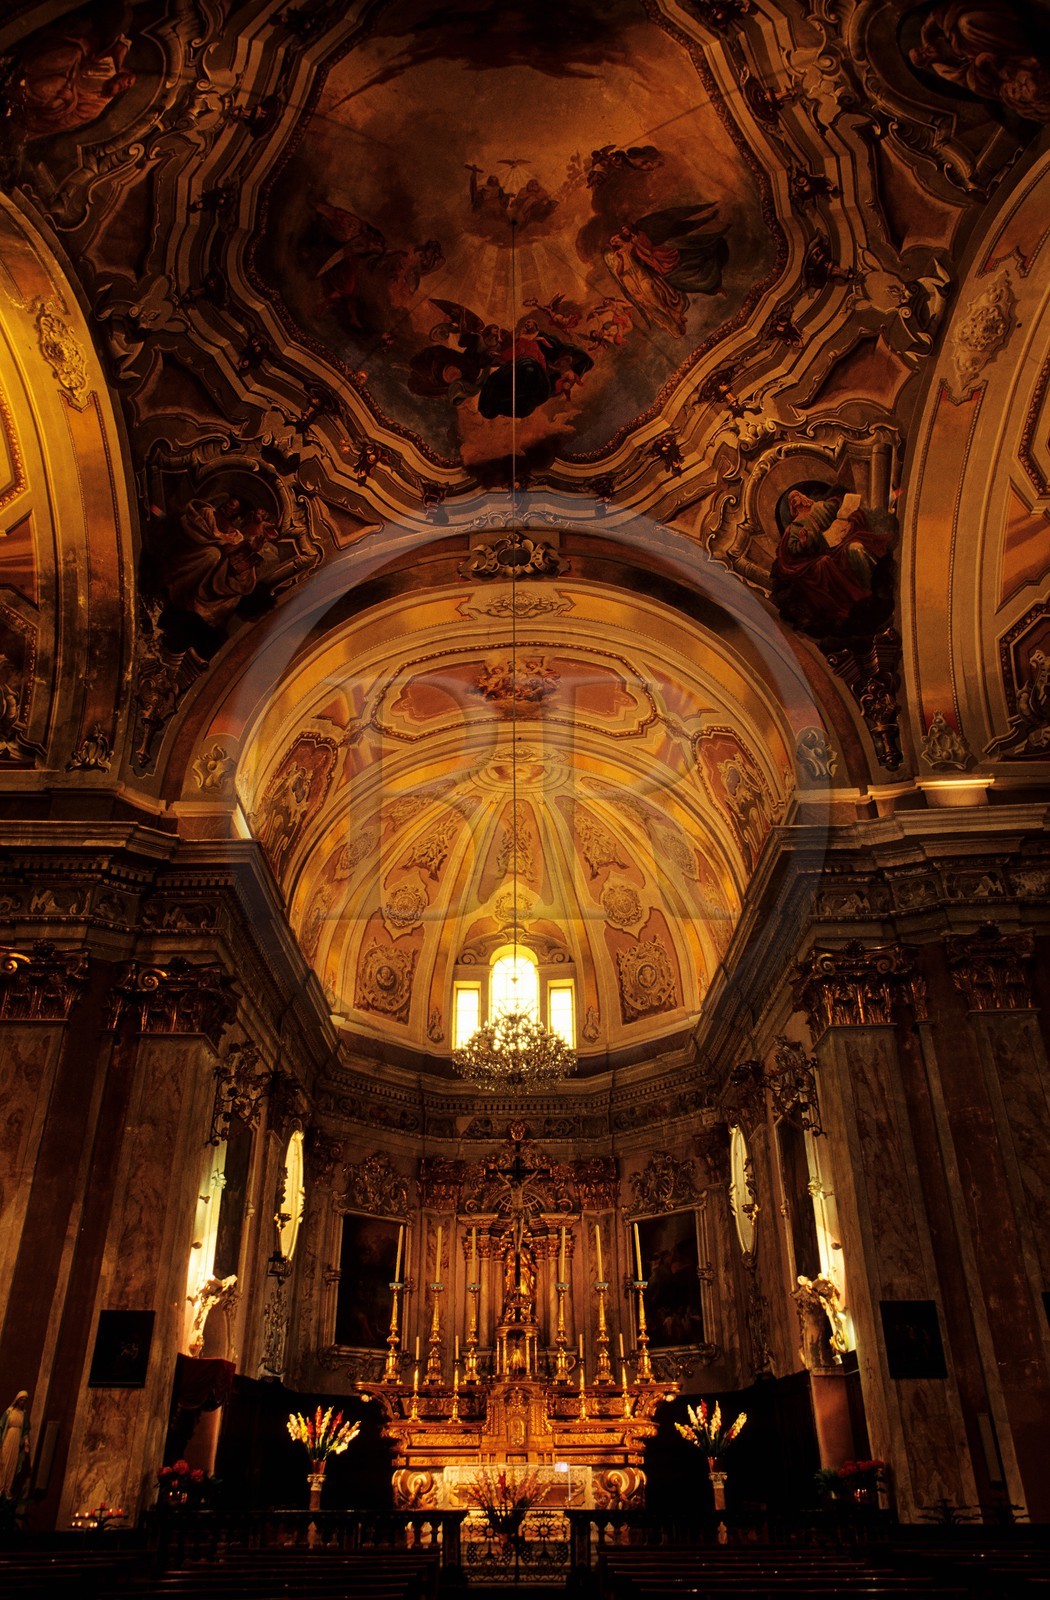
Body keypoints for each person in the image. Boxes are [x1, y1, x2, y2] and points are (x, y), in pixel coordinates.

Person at [0, 1391, 30, 1499]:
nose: (22, 1402)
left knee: (12, 1464)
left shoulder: (24, 1414)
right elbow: (1, 1426)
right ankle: (0, 1487)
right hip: (7, 1438)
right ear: (17, 1399)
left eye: (24, 1400)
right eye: (21, 1399)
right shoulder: (9, 1412)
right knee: (3, 1462)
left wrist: (26, 1444)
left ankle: (7, 1488)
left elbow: (26, 1430)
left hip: (17, 1441)